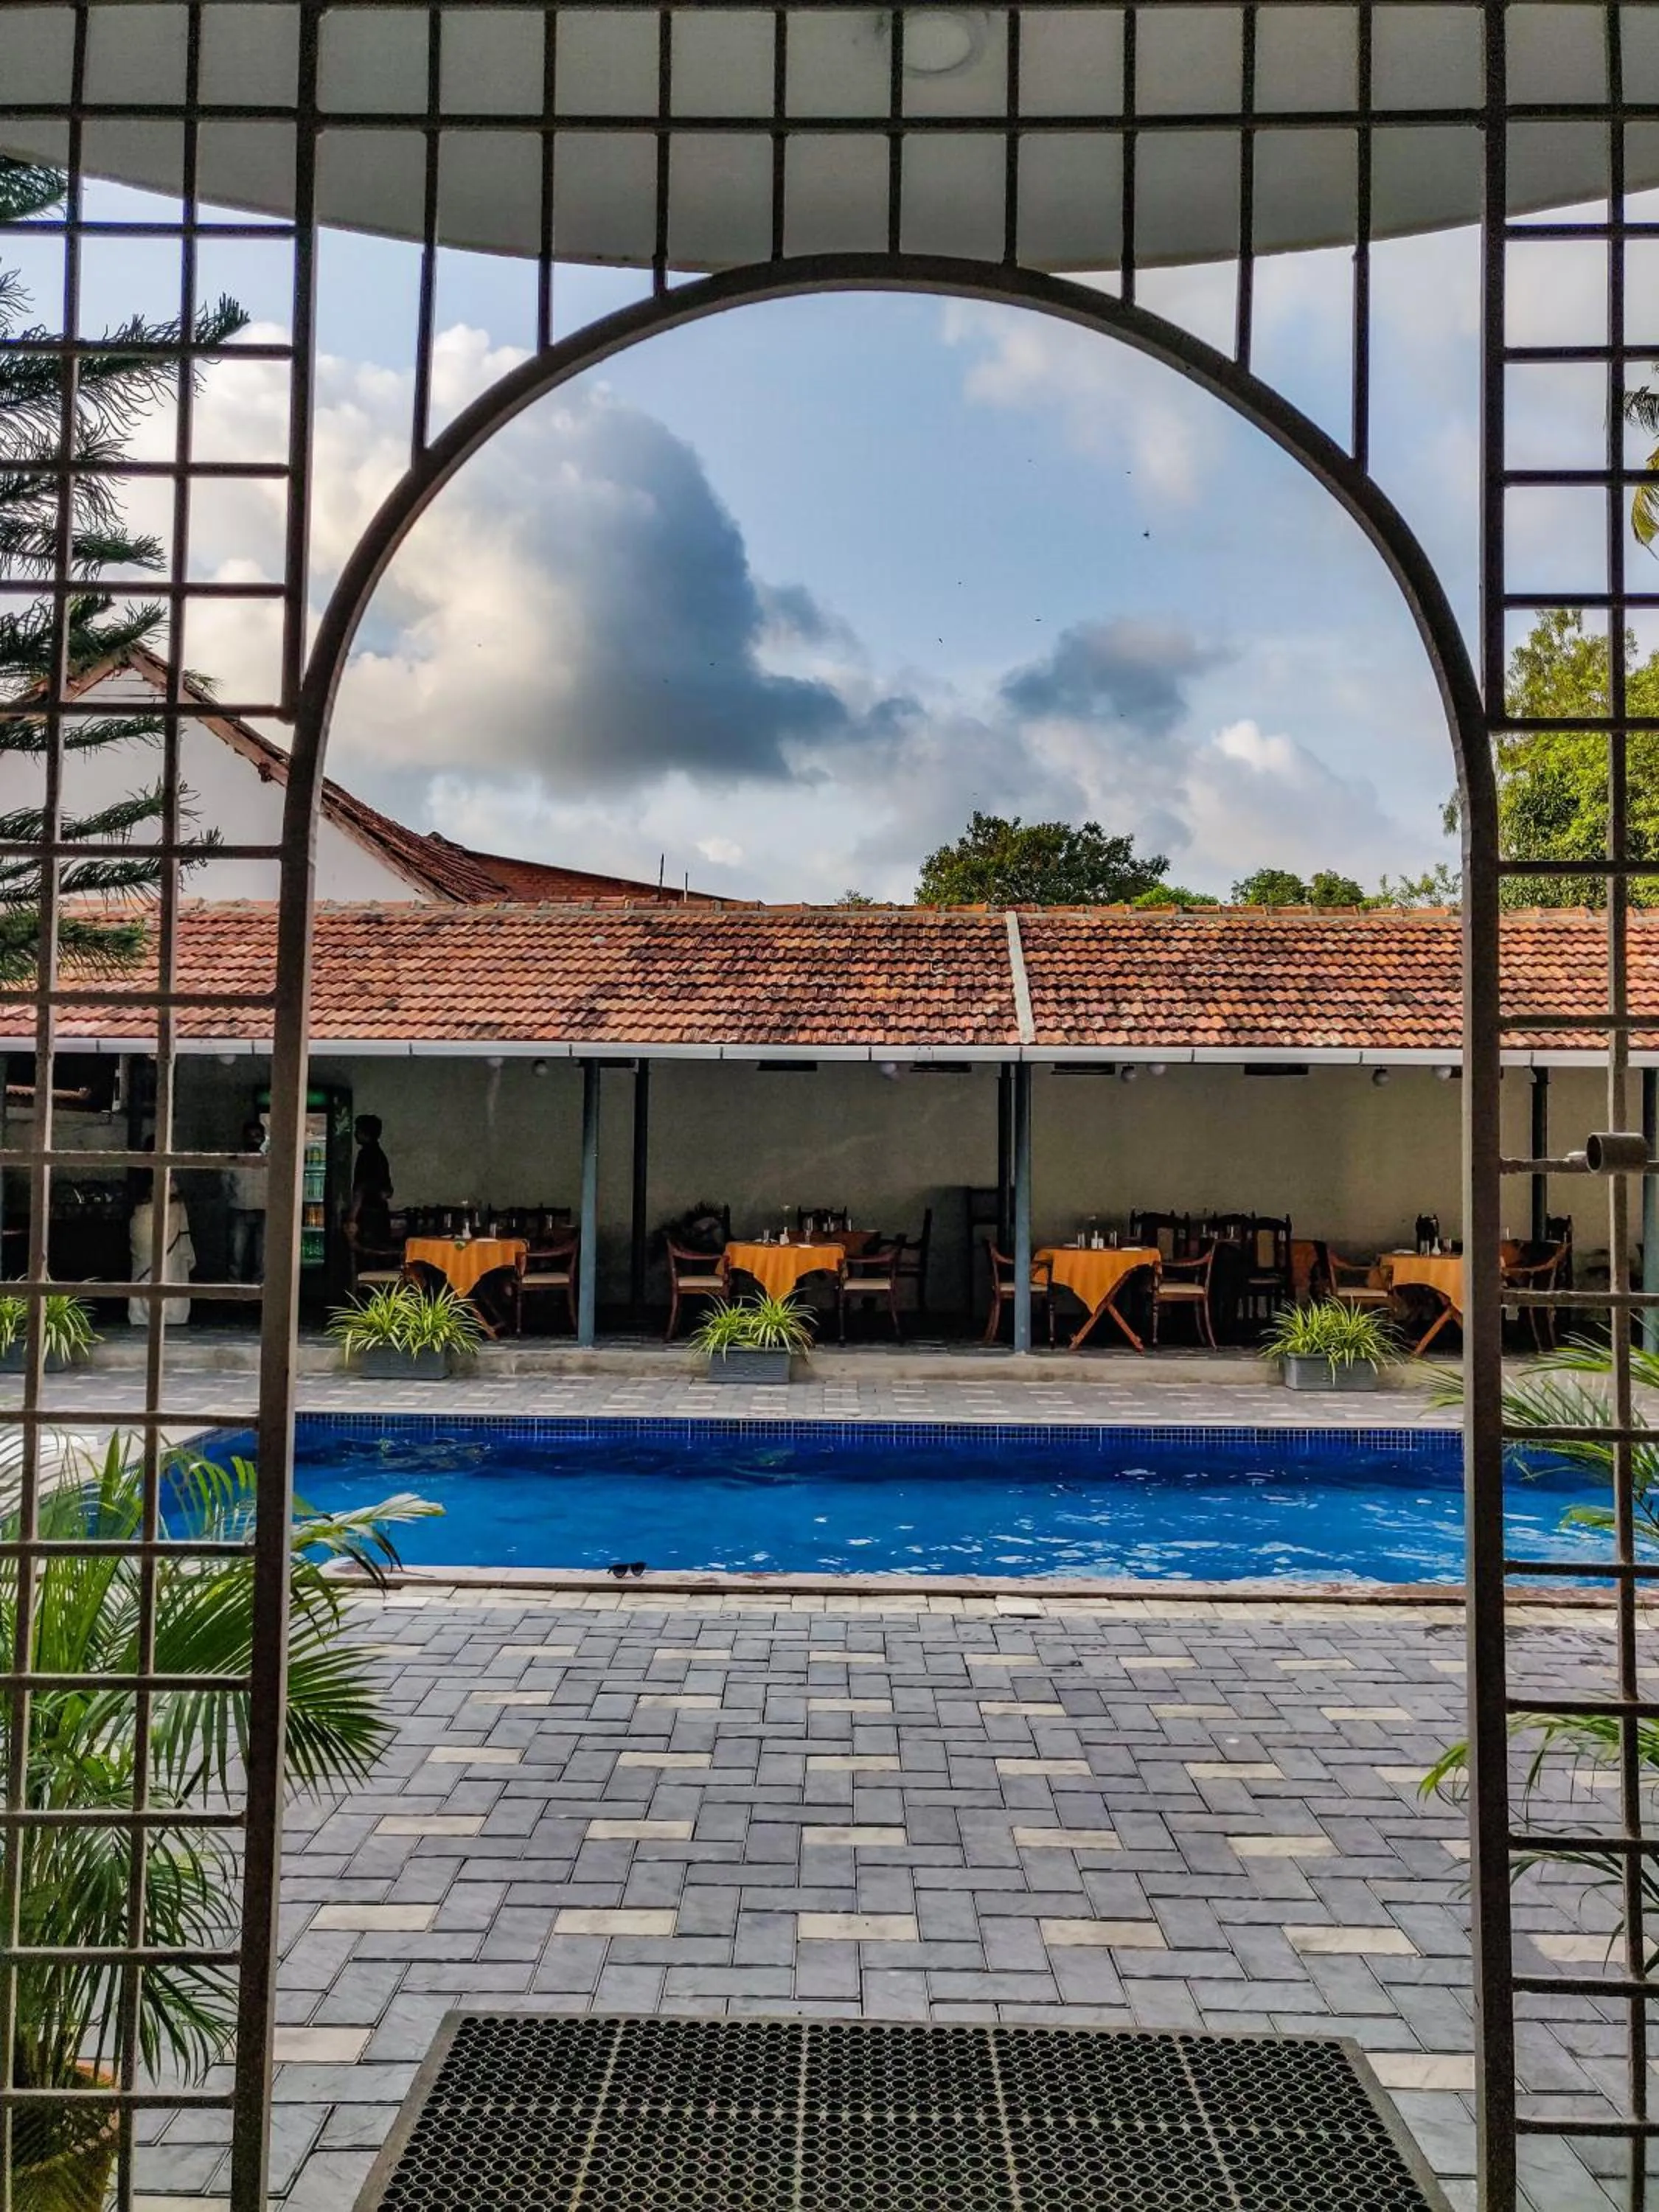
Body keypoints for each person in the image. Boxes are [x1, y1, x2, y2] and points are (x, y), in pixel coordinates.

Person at [128, 1164, 195, 1329]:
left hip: (146, 1221)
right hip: (161, 1219)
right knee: (169, 1268)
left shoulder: (139, 1174)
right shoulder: (162, 1171)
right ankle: (171, 1314)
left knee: (150, 1269)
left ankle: (142, 1314)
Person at [226, 1118, 268, 1284]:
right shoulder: (234, 1160)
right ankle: (234, 1291)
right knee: (236, 1254)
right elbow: (225, 1185)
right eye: (250, 1136)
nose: (254, 1139)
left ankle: (259, 1293)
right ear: (243, 1137)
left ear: (263, 1138)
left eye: (257, 1136)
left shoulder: (269, 1162)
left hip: (263, 1211)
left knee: (262, 1257)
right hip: (239, 1210)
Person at [349, 1113, 393, 1251]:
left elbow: (360, 1189)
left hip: (367, 1214)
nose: (355, 1134)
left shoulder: (365, 1155)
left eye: (357, 1130)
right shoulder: (380, 1155)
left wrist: (352, 1217)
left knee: (365, 1255)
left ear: (364, 1133)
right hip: (381, 1213)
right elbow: (388, 1191)